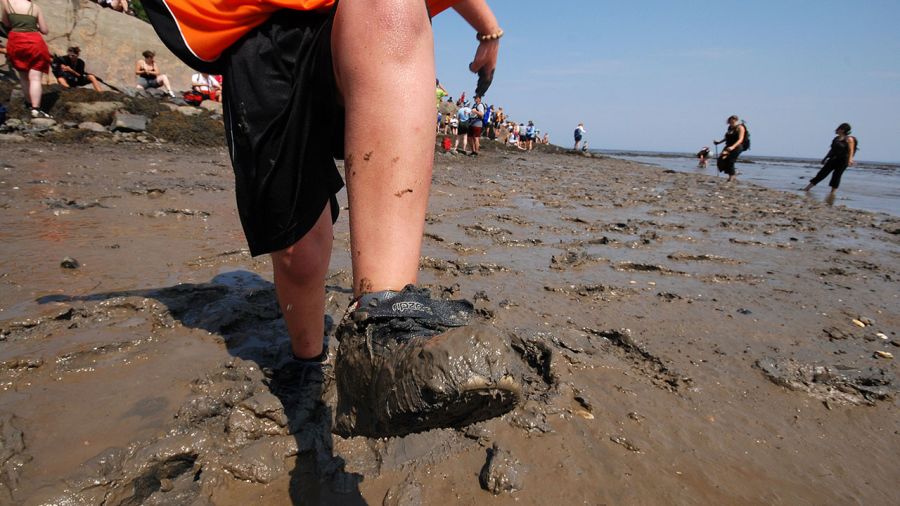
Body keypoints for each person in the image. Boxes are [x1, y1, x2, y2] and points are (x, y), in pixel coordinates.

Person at [142, 0, 519, 438]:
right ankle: (307, 359)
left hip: (355, 24)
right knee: (300, 255)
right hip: (255, 34)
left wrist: (487, 30)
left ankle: (382, 328)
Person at [1, 0, 52, 118]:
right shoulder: (35, 7)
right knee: (35, 78)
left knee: (24, 76)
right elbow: (45, 30)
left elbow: (5, 23)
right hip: (35, 43)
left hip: (16, 43)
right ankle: (35, 109)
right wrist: (35, 26)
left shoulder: (7, 3)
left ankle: (29, 104)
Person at [803, 123, 857, 195]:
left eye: (838, 128)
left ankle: (832, 192)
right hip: (833, 159)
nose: (836, 130)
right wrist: (825, 158)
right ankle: (807, 188)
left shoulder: (849, 139)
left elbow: (851, 150)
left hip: (843, 161)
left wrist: (850, 160)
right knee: (822, 173)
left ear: (843, 130)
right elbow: (832, 150)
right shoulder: (836, 139)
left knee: (837, 176)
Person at [714, 115, 746, 183]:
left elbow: (740, 139)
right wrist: (719, 142)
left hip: (737, 146)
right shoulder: (730, 128)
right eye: (730, 120)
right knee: (721, 160)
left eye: (733, 120)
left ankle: (731, 177)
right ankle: (733, 173)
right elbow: (727, 137)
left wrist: (733, 147)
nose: (731, 121)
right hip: (728, 146)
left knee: (730, 161)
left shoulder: (740, 127)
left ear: (736, 120)